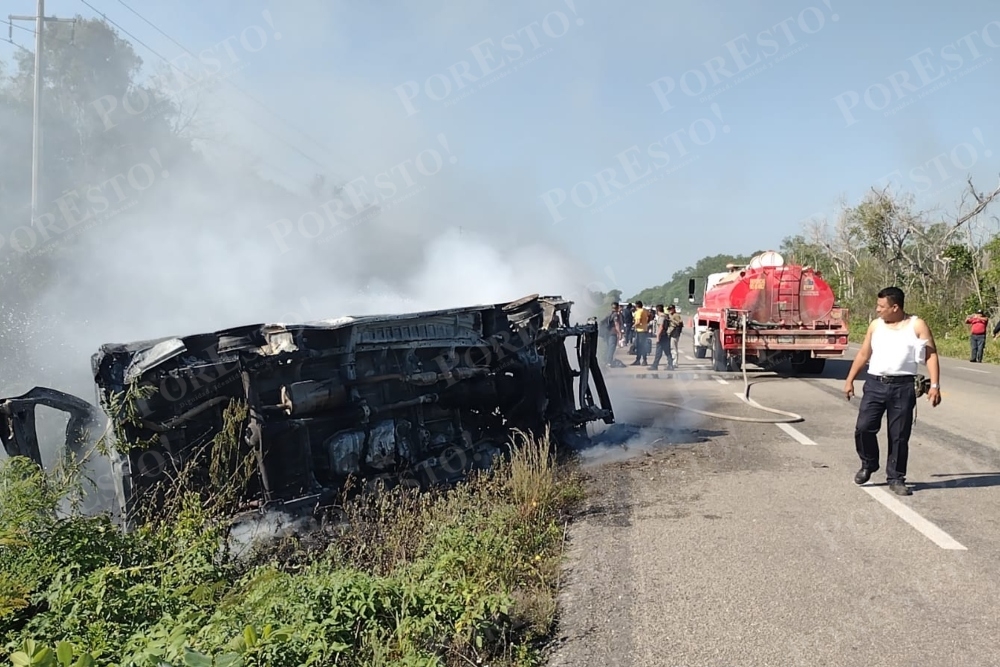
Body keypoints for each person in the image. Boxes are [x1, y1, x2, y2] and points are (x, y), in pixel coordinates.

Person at [843, 286, 941, 496]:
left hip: (903, 386)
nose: (878, 310)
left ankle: (896, 477)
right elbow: (863, 353)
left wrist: (935, 385)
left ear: (895, 307)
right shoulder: (875, 325)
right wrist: (850, 379)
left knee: (899, 435)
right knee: (864, 428)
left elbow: (931, 355)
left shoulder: (916, 325)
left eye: (882, 306)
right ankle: (868, 464)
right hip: (875, 384)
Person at [600, 302, 623, 367]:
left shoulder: (608, 314)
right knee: (611, 347)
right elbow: (616, 324)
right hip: (612, 333)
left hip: (606, 333)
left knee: (608, 347)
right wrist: (619, 333)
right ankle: (609, 361)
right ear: (617, 307)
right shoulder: (615, 315)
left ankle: (605, 360)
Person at [648, 305, 669, 370]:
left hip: (661, 336)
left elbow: (661, 327)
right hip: (665, 336)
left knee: (658, 352)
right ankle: (670, 364)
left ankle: (655, 365)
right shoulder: (665, 316)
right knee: (667, 352)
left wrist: (658, 337)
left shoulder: (661, 317)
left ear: (657, 310)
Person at [631, 300, 650, 366]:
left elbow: (638, 321)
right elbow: (649, 316)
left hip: (640, 330)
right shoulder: (644, 310)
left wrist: (633, 326)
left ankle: (642, 360)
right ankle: (640, 360)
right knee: (642, 345)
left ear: (636, 306)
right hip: (644, 329)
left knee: (640, 346)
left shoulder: (639, 312)